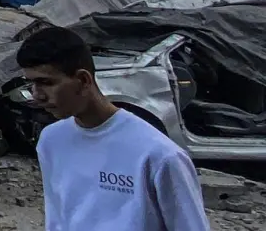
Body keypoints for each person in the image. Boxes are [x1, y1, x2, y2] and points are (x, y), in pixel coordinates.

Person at [18, 26, 209, 231]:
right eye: (31, 83)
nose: (37, 95)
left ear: (83, 80)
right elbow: (58, 219)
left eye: (45, 83)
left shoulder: (159, 156)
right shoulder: (51, 140)